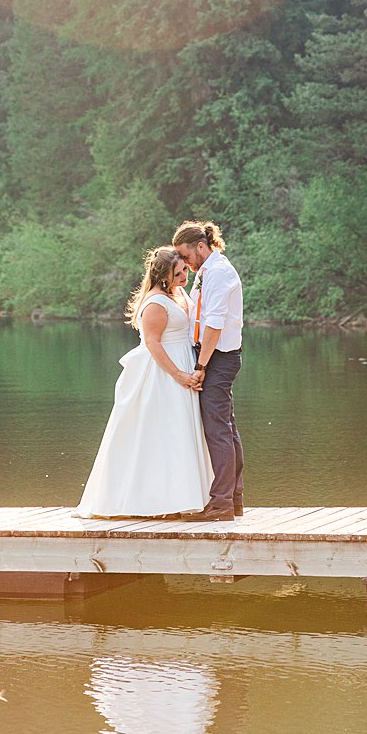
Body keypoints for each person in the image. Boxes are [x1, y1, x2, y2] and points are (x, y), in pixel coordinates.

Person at [76, 247, 213, 519]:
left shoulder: (178, 293)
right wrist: (179, 375)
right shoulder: (155, 303)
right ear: (163, 275)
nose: (184, 276)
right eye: (178, 273)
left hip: (184, 363)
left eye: (184, 270)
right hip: (161, 373)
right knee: (159, 433)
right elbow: (152, 343)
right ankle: (149, 500)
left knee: (179, 433)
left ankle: (182, 497)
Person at [173, 219, 243, 519]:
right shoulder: (208, 272)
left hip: (218, 358)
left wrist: (201, 365)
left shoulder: (219, 273)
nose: (185, 263)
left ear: (201, 246)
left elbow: (214, 324)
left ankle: (221, 503)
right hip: (215, 356)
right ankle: (233, 499)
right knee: (226, 428)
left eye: (186, 255)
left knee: (218, 431)